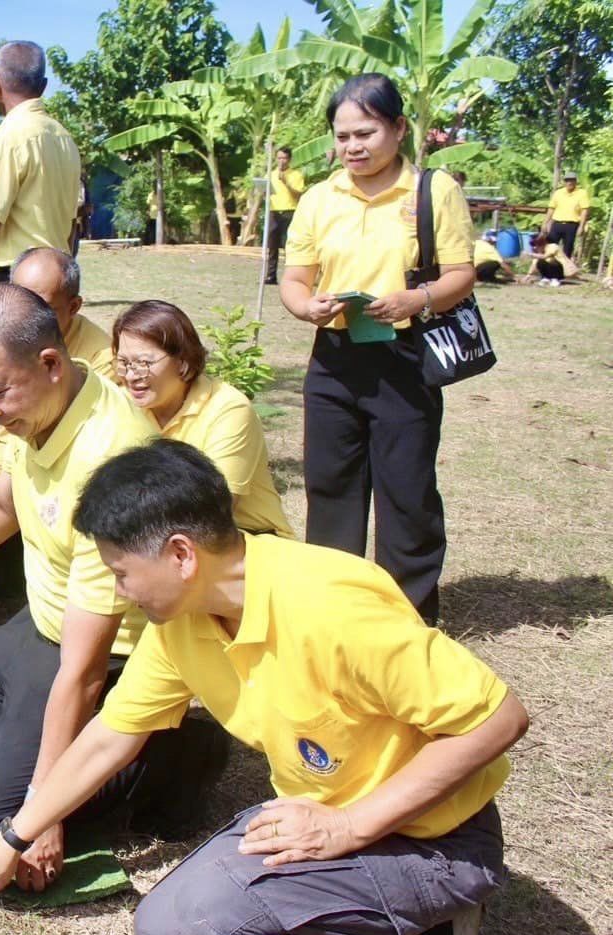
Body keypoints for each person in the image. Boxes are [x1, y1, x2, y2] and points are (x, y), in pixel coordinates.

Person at [0, 439, 529, 935]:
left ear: (181, 554)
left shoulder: (332, 605)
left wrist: (352, 827)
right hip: (320, 808)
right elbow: (110, 736)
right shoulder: (185, 618)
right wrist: (15, 834)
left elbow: (498, 718)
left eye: (122, 572)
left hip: (434, 838)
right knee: (168, 932)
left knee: (220, 918)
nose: (120, 592)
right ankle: (391, 921)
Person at [0, 285, 225, 874]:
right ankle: (46, 747)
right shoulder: (36, 413)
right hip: (40, 625)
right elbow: (4, 508)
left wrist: (45, 810)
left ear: (51, 364)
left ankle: (173, 748)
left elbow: (82, 671)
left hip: (106, 657)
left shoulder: (112, 460)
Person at [279, 73, 475, 624]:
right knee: (331, 488)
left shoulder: (433, 191)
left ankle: (407, 618)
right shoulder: (319, 198)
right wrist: (305, 306)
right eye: (342, 137)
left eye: (365, 133)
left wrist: (416, 298)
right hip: (334, 360)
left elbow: (462, 274)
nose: (353, 148)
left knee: (406, 494)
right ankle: (334, 611)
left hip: (404, 359)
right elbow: (295, 280)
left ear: (398, 128)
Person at [0, 247, 114, 595]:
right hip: (6, 462)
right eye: (19, 299)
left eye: (42, 306)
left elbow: (65, 452)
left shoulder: (101, 359)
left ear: (73, 306)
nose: (25, 315)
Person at [111, 300, 294, 539]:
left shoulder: (228, 409)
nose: (132, 376)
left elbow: (214, 511)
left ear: (183, 361)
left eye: (144, 363)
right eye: (124, 363)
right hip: (154, 537)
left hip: (242, 536)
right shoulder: (121, 403)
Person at [0, 41, 81, 292]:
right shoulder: (64, 138)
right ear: (43, 86)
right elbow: (71, 225)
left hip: (19, 277)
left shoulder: (10, 135)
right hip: (57, 277)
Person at [265, 146, 306, 285]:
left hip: (289, 211)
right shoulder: (270, 174)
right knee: (272, 245)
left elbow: (298, 194)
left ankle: (291, 277)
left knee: (289, 245)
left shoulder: (296, 175)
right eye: (279, 158)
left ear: (289, 159)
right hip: (274, 211)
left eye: (284, 158)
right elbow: (266, 191)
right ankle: (271, 275)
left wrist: (285, 182)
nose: (281, 161)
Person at [542, 171, 590, 260]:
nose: (570, 182)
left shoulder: (582, 193)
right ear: (564, 182)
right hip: (557, 224)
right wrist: (545, 223)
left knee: (567, 249)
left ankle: (564, 270)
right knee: (550, 247)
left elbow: (585, 211)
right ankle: (548, 269)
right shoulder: (558, 193)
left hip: (571, 225)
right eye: (567, 180)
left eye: (572, 180)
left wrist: (581, 226)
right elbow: (551, 208)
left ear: (575, 181)